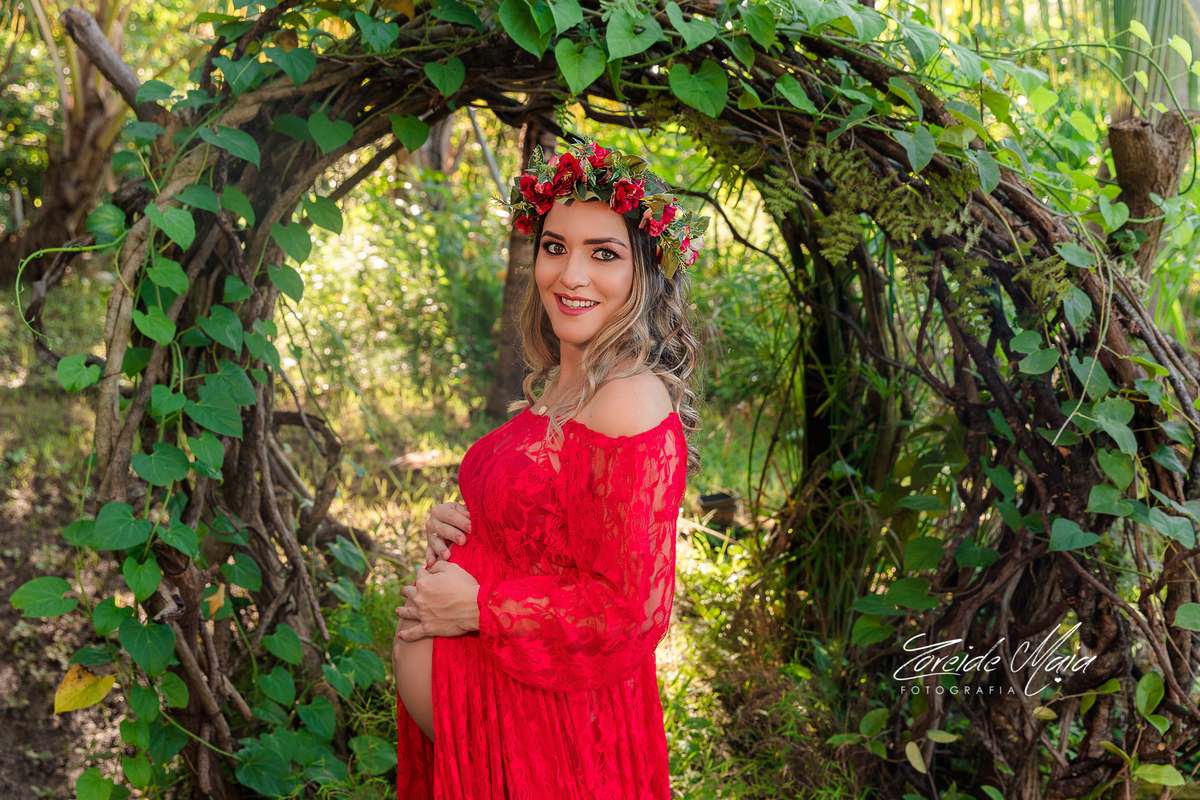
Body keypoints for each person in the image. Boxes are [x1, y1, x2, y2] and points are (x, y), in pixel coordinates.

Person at [390, 135, 707, 799]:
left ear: (646, 272)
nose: (571, 275)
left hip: (551, 730)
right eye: (556, 247)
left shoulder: (628, 398)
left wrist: (479, 607)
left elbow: (630, 610)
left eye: (604, 253)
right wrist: (468, 524)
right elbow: (553, 531)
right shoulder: (569, 386)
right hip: (505, 715)